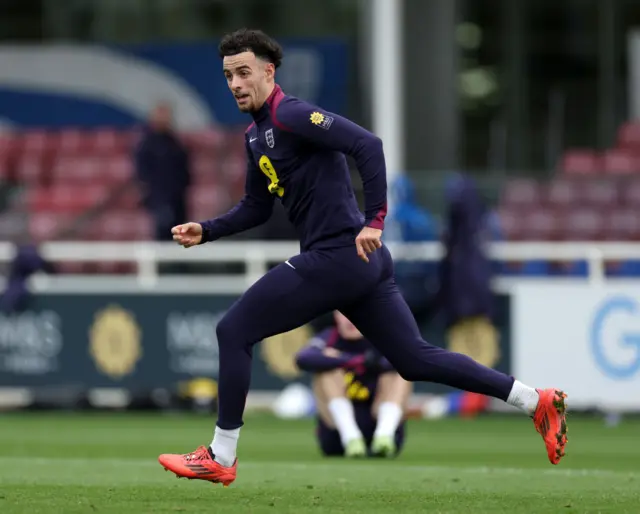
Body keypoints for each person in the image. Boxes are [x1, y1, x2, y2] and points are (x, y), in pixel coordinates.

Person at [158, 28, 568, 487]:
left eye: (244, 72)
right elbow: (256, 207)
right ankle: (536, 401)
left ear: (269, 72)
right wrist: (207, 229)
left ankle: (221, 454)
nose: (235, 83)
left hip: (339, 254)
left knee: (233, 330)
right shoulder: (256, 137)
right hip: (358, 264)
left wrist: (375, 219)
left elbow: (367, 145)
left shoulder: (291, 114)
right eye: (229, 74)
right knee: (414, 360)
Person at [295, 311, 411, 458]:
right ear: (336, 316)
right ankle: (351, 438)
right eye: (345, 313)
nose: (351, 319)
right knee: (326, 370)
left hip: (378, 419)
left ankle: (384, 435)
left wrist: (377, 363)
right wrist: (357, 361)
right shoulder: (329, 336)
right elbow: (303, 358)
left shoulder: (383, 336)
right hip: (338, 433)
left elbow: (408, 358)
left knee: (399, 373)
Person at [134, 101, 191, 243]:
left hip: (178, 200)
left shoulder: (175, 143)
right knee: (163, 234)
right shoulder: (147, 144)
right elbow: (143, 172)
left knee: (179, 236)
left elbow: (184, 171)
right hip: (158, 199)